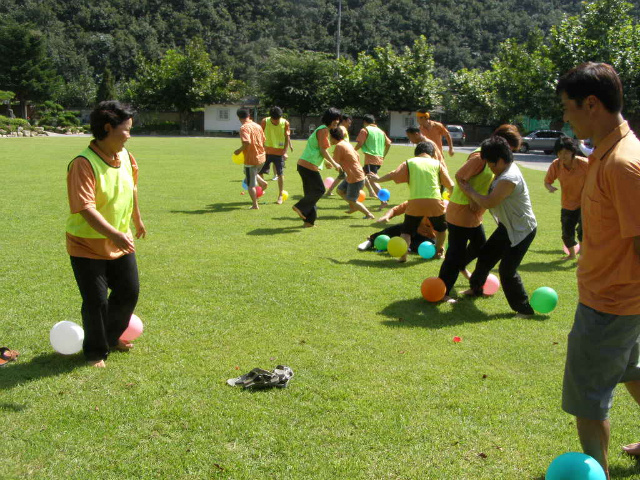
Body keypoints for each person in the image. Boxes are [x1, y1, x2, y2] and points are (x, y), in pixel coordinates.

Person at [556, 62, 640, 479]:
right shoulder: (605, 154)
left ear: (592, 103)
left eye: (568, 108)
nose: (565, 118)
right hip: (621, 303)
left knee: (588, 401)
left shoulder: (621, 164)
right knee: (634, 371)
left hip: (610, 305)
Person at [66, 100, 146, 368]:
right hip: (86, 244)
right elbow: (85, 208)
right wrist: (114, 233)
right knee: (96, 301)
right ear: (108, 128)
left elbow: (130, 188)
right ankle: (95, 352)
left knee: (128, 292)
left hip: (119, 240)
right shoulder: (82, 163)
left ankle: (111, 337)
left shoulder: (126, 157)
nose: (129, 136)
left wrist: (136, 218)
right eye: (126, 130)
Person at [439, 124, 522, 302]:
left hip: (475, 212)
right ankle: (442, 291)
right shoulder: (480, 157)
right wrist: (471, 199)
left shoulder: (496, 157)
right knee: (455, 252)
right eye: (509, 149)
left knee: (479, 247)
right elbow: (460, 176)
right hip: (462, 210)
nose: (510, 156)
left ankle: (460, 266)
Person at [458, 136, 537, 316]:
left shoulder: (510, 177)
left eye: (492, 165)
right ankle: (476, 289)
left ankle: (524, 309)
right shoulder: (502, 170)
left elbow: (489, 202)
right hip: (507, 227)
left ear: (501, 160)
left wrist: (470, 190)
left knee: (507, 270)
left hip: (522, 230)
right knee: (486, 256)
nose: (491, 169)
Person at [368, 141, 453, 262]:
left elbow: (394, 174)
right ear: (433, 154)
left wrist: (378, 179)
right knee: (441, 229)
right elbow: (450, 185)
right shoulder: (437, 163)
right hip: (435, 200)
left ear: (416, 153)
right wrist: (452, 196)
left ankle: (403, 256)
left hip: (415, 201)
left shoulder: (410, 162)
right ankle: (439, 252)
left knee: (406, 231)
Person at [292, 108, 342, 227]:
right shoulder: (324, 130)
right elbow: (323, 149)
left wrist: (325, 162)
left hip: (304, 164)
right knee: (319, 190)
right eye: (335, 120)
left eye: (338, 120)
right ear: (329, 120)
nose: (337, 122)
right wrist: (335, 164)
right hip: (309, 165)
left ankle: (309, 222)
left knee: (311, 194)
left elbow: (317, 150)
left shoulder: (321, 129)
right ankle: (299, 206)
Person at [544, 135, 588, 259]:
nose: (563, 156)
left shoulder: (584, 164)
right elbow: (547, 181)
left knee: (582, 231)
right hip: (568, 203)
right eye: (560, 153)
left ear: (573, 152)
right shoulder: (556, 165)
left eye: (566, 153)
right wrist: (550, 188)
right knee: (566, 233)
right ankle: (572, 255)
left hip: (585, 203)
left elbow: (599, 176)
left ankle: (583, 254)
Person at [329, 127, 374, 219]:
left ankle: (369, 214)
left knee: (352, 199)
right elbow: (357, 156)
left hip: (355, 177)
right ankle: (354, 207)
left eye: (330, 137)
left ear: (334, 137)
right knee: (340, 190)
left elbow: (334, 163)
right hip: (355, 174)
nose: (329, 140)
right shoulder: (346, 144)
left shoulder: (339, 146)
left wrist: (326, 163)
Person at [357, 201, 436, 252]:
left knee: (421, 246)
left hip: (427, 239)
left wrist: (438, 245)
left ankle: (403, 247)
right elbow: (395, 210)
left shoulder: (435, 209)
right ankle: (371, 241)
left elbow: (441, 230)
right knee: (401, 227)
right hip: (409, 232)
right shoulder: (412, 203)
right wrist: (387, 216)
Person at [355, 114, 392, 205]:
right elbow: (389, 144)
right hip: (379, 159)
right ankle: (371, 192)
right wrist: (383, 155)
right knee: (362, 175)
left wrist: (352, 151)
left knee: (372, 179)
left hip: (370, 159)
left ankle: (384, 199)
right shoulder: (381, 131)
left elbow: (360, 143)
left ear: (364, 122)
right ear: (374, 122)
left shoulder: (365, 130)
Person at [235, 108, 267, 209]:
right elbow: (264, 140)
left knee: (250, 184)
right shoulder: (257, 126)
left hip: (251, 159)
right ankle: (262, 182)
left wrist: (239, 150)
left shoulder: (244, 128)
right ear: (249, 115)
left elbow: (247, 142)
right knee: (249, 172)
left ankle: (255, 205)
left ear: (239, 117)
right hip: (261, 157)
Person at [260, 106, 292, 204]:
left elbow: (287, 138)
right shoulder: (265, 121)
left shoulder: (285, 123)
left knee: (280, 174)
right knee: (260, 172)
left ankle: (280, 195)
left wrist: (285, 151)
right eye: (274, 120)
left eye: (277, 119)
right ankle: (261, 189)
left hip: (279, 153)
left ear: (280, 117)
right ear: (270, 118)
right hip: (265, 152)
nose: (276, 122)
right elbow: (260, 135)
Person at [325, 114, 352, 196]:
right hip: (343, 154)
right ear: (344, 121)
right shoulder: (342, 128)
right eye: (349, 122)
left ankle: (329, 191)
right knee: (352, 173)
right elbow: (338, 136)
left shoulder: (340, 128)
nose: (350, 124)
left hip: (343, 153)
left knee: (343, 174)